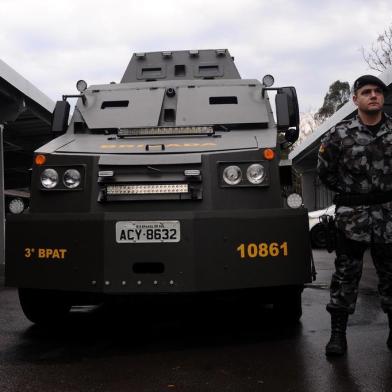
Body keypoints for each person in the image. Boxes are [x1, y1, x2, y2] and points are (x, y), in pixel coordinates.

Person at [317, 74, 392, 356]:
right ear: (355, 99)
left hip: (389, 216)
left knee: (391, 276)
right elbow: (325, 172)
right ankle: (338, 336)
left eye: (378, 91)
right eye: (366, 92)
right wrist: (352, 196)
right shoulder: (339, 135)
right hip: (353, 219)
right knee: (346, 276)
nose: (373, 95)